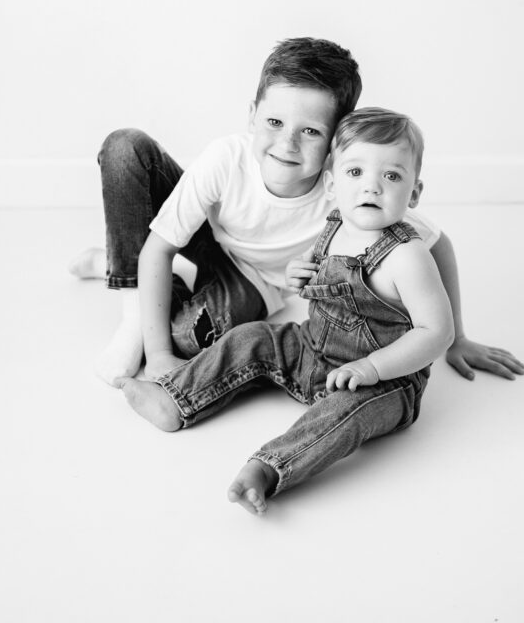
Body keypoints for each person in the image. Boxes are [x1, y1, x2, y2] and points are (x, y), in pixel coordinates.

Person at [73, 37, 524, 386]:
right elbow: (160, 247)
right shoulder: (226, 158)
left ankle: (116, 260)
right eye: (274, 123)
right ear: (252, 115)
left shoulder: (345, 193)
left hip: (257, 282)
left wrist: (457, 336)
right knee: (125, 147)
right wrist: (156, 354)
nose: (286, 143)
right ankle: (131, 303)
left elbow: (436, 242)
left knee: (188, 340)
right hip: (210, 239)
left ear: (334, 142)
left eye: (309, 131)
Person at [119, 107, 458, 514]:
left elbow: (436, 331)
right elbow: (323, 287)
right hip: (312, 350)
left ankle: (269, 467)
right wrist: (300, 276)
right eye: (355, 173)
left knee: (343, 417)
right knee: (253, 336)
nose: (372, 187)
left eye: (392, 176)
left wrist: (371, 369)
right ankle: (177, 399)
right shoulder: (333, 225)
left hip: (382, 381)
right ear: (331, 184)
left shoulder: (408, 255)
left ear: (415, 192)